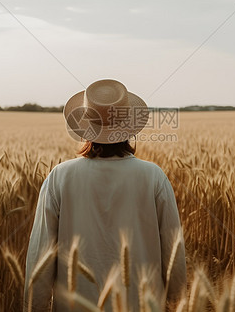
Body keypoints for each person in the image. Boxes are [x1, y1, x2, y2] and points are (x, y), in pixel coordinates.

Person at [23, 79, 186, 311]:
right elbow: (173, 251)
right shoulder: (153, 176)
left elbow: (40, 254)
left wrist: (35, 307)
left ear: (85, 130)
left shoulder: (60, 176)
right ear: (129, 127)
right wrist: (177, 302)